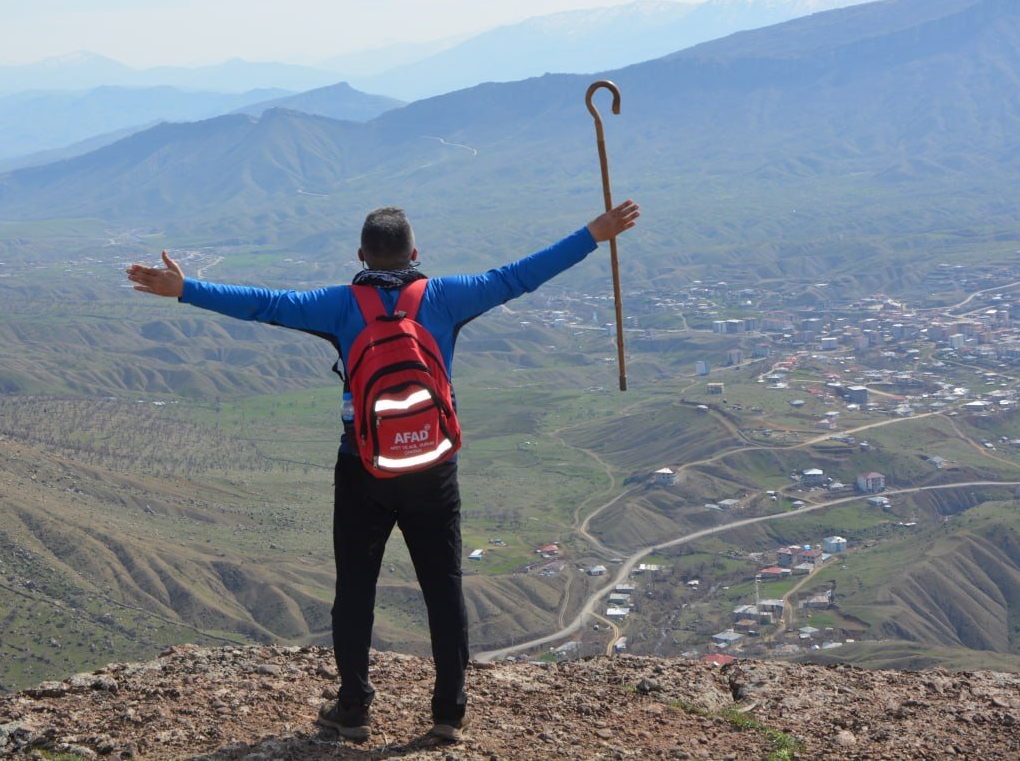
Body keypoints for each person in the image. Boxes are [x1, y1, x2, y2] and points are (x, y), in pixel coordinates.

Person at [126, 199, 641, 742]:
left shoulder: (341, 306)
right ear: (415, 253)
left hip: (363, 467)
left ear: (361, 255)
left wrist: (186, 289)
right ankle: (449, 712)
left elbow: (266, 303)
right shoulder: (445, 297)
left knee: (355, 589)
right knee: (443, 588)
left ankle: (353, 709)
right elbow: (517, 276)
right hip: (433, 468)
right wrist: (594, 234)